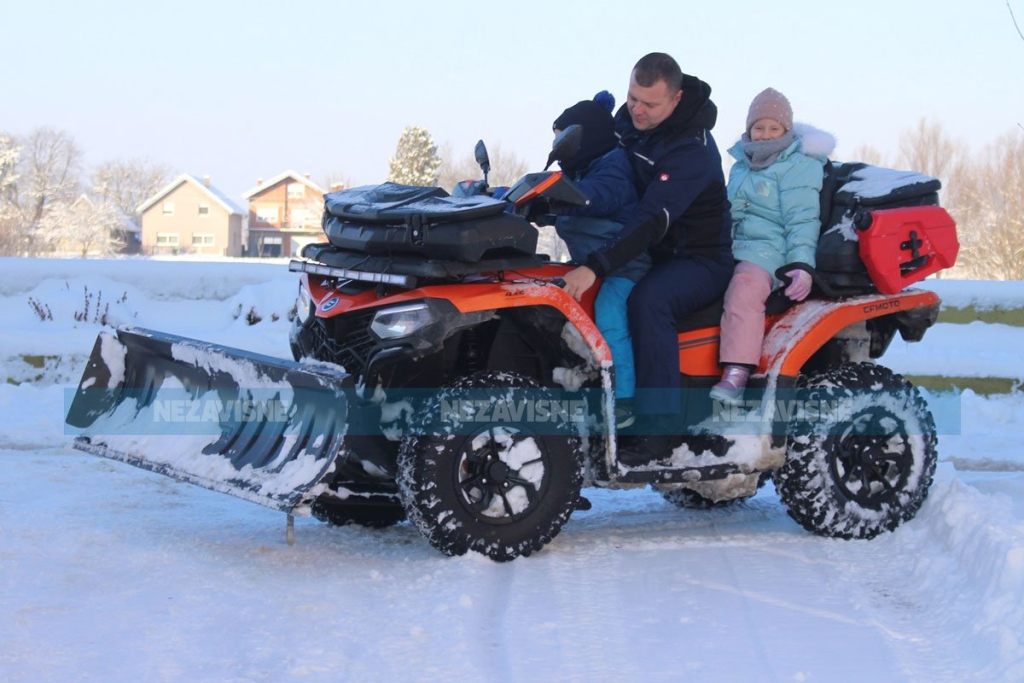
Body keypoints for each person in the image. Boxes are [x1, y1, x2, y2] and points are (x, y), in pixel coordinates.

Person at [560, 53, 734, 465]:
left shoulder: (692, 150)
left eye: (649, 104)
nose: (636, 109)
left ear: (675, 99)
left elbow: (652, 219)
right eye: (632, 97)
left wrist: (597, 265)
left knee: (649, 300)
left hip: (699, 259)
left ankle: (658, 430)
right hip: (652, 251)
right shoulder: (634, 121)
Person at [711, 88, 835, 404]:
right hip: (736, 245)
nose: (765, 135)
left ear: (786, 131)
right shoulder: (741, 163)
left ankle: (737, 371)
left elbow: (803, 220)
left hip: (772, 252)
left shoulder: (798, 165)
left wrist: (801, 265)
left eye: (774, 128)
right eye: (759, 127)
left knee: (745, 286)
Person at [550, 92, 649, 426]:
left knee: (609, 314)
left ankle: (624, 400)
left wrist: (554, 198)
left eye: (563, 141)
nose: (559, 149)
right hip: (595, 266)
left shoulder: (613, 167)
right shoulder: (584, 170)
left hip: (626, 267)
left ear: (582, 137)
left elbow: (595, 198)